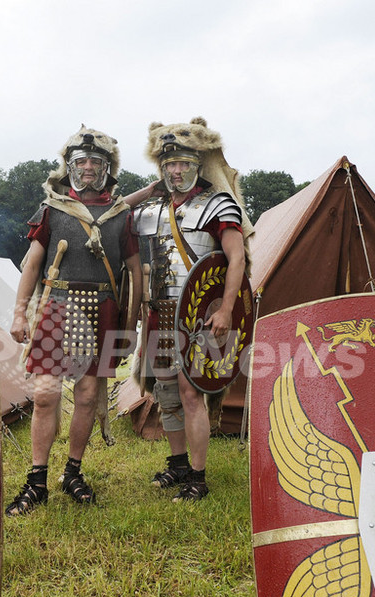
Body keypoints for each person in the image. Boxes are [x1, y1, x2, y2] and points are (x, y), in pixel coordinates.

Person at [6, 126, 142, 516]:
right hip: (57, 306)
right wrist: (19, 311)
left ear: (107, 168)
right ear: (69, 166)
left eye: (95, 162)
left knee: (86, 397)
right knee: (46, 394)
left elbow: (134, 272)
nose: (87, 168)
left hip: (103, 309)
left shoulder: (121, 215)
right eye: (80, 162)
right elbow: (33, 263)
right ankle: (36, 481)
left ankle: (72, 472)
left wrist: (128, 327)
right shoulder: (53, 208)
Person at [128, 117, 253, 502]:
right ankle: (178, 463)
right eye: (168, 165)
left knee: (191, 392)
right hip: (160, 314)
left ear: (197, 164)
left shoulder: (217, 204)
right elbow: (113, 216)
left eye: (182, 163)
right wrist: (147, 189)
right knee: (165, 393)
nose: (175, 171)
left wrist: (227, 309)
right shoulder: (151, 209)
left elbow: (236, 260)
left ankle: (198, 477)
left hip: (200, 315)